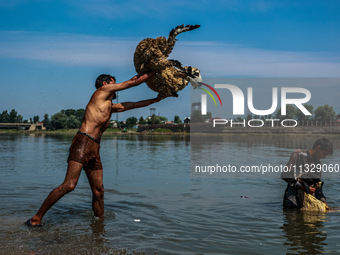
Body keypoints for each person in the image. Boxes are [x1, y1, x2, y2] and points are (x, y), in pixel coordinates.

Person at [26, 72, 166, 226]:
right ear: (105, 84)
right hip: (82, 143)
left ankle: (99, 227)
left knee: (99, 191)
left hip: (95, 148)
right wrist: (154, 71)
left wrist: (157, 99)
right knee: (69, 185)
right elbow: (133, 82)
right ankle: (36, 218)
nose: (116, 88)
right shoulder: (100, 92)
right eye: (113, 83)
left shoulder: (109, 107)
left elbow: (133, 104)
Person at [281, 138, 333, 209]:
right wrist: (305, 188)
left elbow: (318, 186)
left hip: (307, 199)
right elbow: (285, 175)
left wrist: (324, 202)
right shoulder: (298, 155)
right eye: (323, 153)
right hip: (293, 198)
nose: (324, 157)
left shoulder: (318, 164)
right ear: (318, 148)